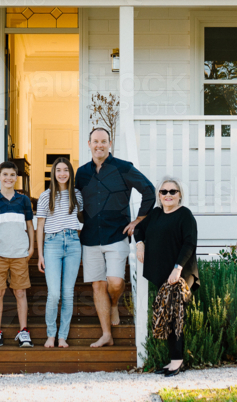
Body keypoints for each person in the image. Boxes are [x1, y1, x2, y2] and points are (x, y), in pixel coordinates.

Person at [75, 127, 155, 348]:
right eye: (95, 141)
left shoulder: (123, 168)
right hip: (90, 237)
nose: (99, 145)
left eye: (103, 141)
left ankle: (115, 302)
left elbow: (149, 190)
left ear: (109, 144)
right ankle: (106, 335)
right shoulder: (81, 173)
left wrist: (138, 220)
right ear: (89, 144)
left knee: (116, 282)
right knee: (97, 286)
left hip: (116, 235)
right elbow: (75, 201)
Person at [134, 177, 198, 378]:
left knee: (175, 315)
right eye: (164, 192)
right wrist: (140, 244)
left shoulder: (185, 215)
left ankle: (177, 361)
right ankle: (173, 359)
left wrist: (177, 269)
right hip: (162, 274)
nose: (168, 195)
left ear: (180, 195)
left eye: (173, 191)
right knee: (167, 316)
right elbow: (138, 229)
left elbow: (189, 244)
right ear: (158, 196)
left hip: (180, 273)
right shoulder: (155, 214)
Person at [0, 160, 35, 348]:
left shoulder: (24, 200)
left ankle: (23, 331)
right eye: (5, 175)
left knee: (20, 292)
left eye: (12, 175)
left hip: (20, 254)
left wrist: (31, 249)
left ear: (16, 177)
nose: (9, 178)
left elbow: (29, 226)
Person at [36, 157, 83, 348]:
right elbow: (40, 226)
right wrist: (40, 254)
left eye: (66, 170)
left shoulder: (77, 195)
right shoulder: (45, 196)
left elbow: (82, 218)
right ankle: (51, 335)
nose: (62, 173)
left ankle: (62, 336)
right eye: (58, 170)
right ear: (53, 173)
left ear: (70, 173)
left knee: (68, 293)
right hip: (52, 245)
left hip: (73, 243)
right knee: (54, 293)